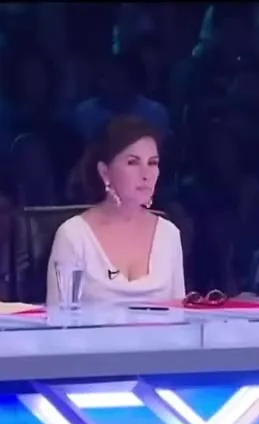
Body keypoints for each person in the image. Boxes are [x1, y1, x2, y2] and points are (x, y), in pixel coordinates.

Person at [47, 115, 185, 305]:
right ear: (105, 172)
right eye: (132, 162)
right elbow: (58, 318)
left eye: (152, 163)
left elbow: (181, 316)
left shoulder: (169, 234)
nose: (146, 174)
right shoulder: (73, 236)